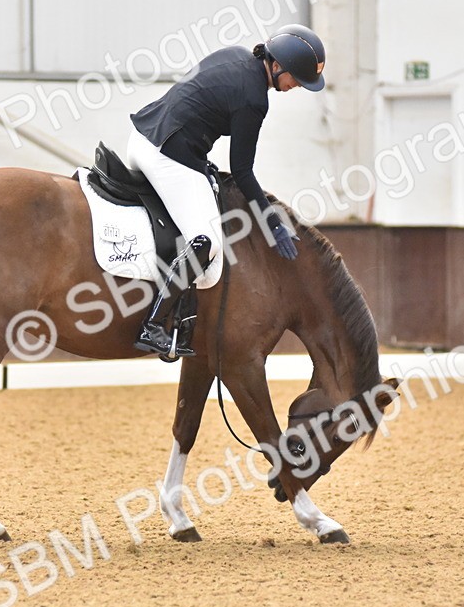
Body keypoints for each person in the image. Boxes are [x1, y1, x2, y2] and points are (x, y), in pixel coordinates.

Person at [126, 23, 327, 357]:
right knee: (207, 242)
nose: (297, 87)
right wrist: (271, 222)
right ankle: (152, 325)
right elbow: (242, 171)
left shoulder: (236, 55)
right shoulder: (254, 99)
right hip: (165, 155)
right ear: (277, 67)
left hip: (147, 136)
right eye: (296, 79)